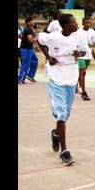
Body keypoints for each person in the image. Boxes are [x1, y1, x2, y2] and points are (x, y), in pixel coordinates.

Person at [37, 13, 87, 165]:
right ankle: (64, 151)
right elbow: (38, 39)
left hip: (71, 79)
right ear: (66, 26)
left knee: (66, 114)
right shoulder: (53, 37)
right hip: (57, 78)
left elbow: (84, 51)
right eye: (73, 22)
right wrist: (48, 56)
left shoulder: (79, 36)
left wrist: (80, 54)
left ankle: (56, 133)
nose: (76, 24)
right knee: (61, 113)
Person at [77, 17, 95, 100]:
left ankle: (76, 83)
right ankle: (83, 92)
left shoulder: (93, 32)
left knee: (83, 73)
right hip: (80, 55)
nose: (88, 24)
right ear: (82, 23)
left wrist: (91, 45)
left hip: (88, 55)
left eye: (89, 23)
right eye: (86, 23)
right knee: (82, 73)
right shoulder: (78, 32)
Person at [18, 17, 39, 84]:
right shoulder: (27, 29)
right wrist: (37, 39)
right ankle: (20, 79)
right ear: (28, 22)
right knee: (26, 63)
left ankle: (30, 75)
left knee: (35, 60)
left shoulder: (29, 29)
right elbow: (30, 40)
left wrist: (36, 46)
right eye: (32, 21)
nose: (33, 22)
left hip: (30, 48)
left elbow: (22, 37)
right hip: (26, 49)